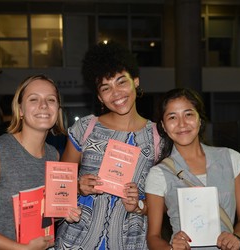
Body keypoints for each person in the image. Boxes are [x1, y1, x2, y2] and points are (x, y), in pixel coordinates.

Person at [0, 74, 81, 250]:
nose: (43, 105)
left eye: (51, 100)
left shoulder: (53, 155)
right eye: (34, 99)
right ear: (20, 109)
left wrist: (63, 213)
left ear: (57, 110)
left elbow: (41, 215)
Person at [55, 41, 161, 249]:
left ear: (136, 81)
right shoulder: (85, 128)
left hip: (131, 242)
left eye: (121, 82)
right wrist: (77, 186)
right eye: (106, 87)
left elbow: (163, 204)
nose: (116, 93)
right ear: (99, 97)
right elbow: (58, 185)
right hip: (77, 241)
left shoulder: (158, 137)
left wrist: (139, 206)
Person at [145, 88, 240, 250]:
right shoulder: (159, 173)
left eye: (188, 114)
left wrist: (237, 237)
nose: (182, 124)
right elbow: (153, 238)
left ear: (200, 119)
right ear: (163, 126)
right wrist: (171, 248)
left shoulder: (231, 158)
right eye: (172, 117)